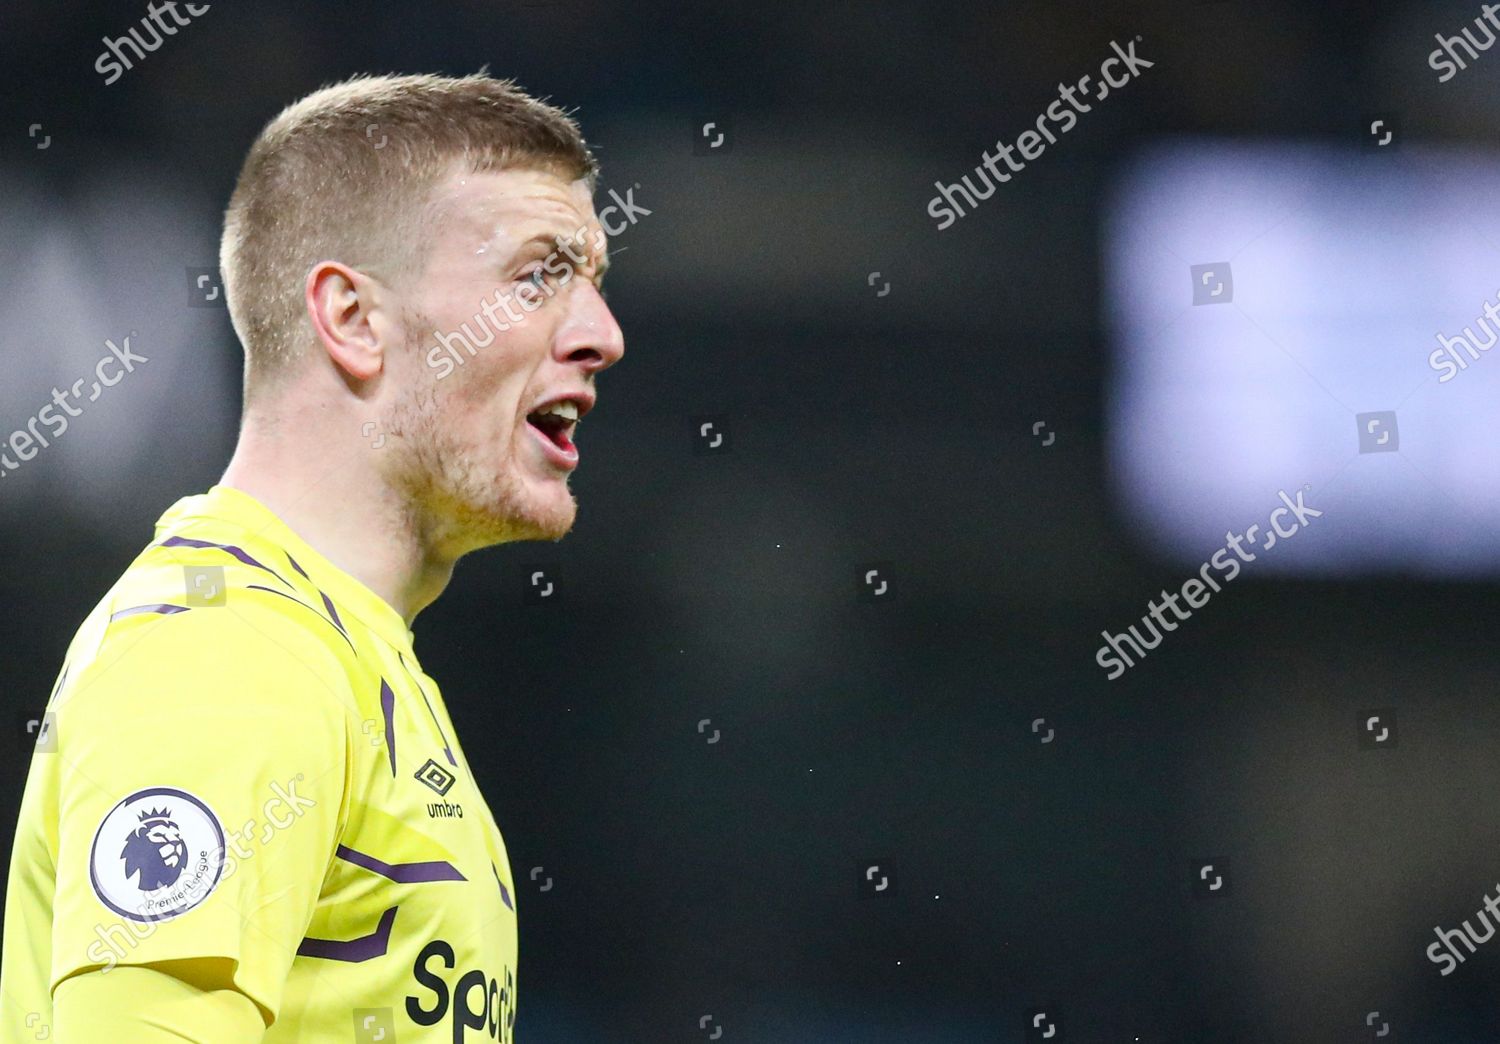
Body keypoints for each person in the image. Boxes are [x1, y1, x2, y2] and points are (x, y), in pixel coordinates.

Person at [0, 71, 625, 1042]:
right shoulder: (228, 655)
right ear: (353, 320)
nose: (601, 336)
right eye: (539, 276)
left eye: (594, 281)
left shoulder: (342, 656)